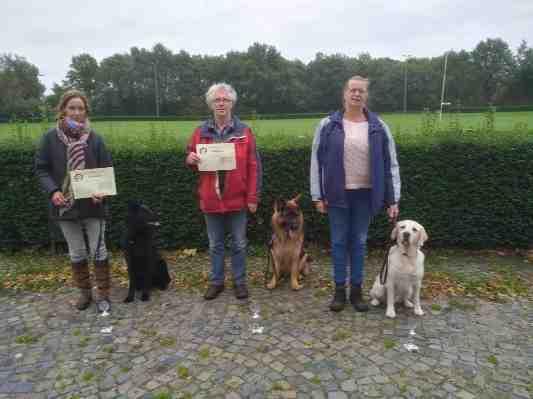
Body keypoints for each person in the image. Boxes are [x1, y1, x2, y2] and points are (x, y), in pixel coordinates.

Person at [310, 75, 401, 312]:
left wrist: (393, 199)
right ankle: (339, 291)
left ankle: (357, 292)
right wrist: (317, 195)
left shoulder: (379, 126)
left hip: (365, 195)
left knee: (359, 242)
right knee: (339, 242)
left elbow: (390, 164)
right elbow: (316, 162)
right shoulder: (327, 125)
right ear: (345, 94)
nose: (357, 94)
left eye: (361, 91)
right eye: (353, 90)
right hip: (336, 194)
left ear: (366, 95)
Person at [34, 90, 113, 312]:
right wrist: (53, 191)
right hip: (64, 204)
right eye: (72, 108)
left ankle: (104, 294)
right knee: (77, 251)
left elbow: (106, 168)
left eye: (81, 108)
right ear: (63, 110)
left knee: (99, 250)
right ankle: (85, 293)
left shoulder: (95, 139)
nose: (77, 112)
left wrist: (103, 191)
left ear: (86, 111)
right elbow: (41, 169)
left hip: (93, 204)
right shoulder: (50, 138)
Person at [186, 83, 261, 300]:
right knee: (215, 244)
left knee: (239, 243)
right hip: (211, 198)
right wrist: (190, 159)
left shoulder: (244, 131)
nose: (221, 103)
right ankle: (217, 282)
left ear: (232, 103)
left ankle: (239, 282)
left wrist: (253, 196)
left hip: (237, 198)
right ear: (211, 104)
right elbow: (191, 156)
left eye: (225, 100)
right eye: (217, 100)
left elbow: (254, 166)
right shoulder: (200, 132)